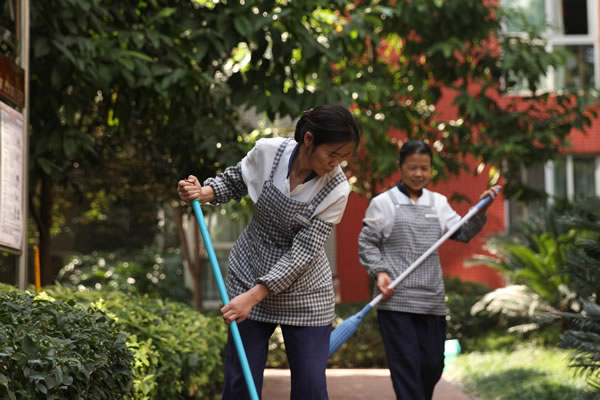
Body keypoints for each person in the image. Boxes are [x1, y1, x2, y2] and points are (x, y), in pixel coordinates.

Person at [177, 104, 361, 400]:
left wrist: (254, 295)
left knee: (311, 388)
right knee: (240, 382)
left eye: (344, 157)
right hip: (249, 270)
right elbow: (235, 181)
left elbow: (302, 253)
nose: (336, 163)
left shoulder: (337, 189)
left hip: (305, 292)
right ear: (310, 140)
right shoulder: (268, 152)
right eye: (333, 154)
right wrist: (203, 192)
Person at [358, 140, 500, 400]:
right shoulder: (384, 203)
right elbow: (366, 242)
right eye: (412, 167)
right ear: (400, 167)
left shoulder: (438, 203)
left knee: (433, 366)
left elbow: (464, 232)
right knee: (407, 368)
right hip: (396, 299)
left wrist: (482, 210)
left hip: (431, 299)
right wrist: (379, 272)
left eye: (424, 168)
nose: (418, 174)